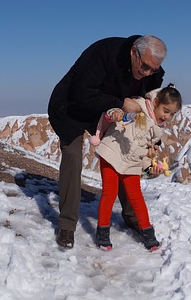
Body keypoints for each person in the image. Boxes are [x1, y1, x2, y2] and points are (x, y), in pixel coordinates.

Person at [48, 35, 167, 248]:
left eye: (153, 70)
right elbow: (81, 94)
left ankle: (132, 219)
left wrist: (153, 141)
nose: (147, 73)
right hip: (71, 109)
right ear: (133, 51)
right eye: (145, 66)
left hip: (111, 114)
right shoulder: (101, 54)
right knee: (73, 157)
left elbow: (150, 105)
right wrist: (121, 102)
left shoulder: (152, 74)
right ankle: (67, 226)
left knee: (124, 154)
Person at [95, 85, 182, 251]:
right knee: (109, 192)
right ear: (155, 102)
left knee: (136, 196)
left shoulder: (158, 131)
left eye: (172, 114)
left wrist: (150, 167)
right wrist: (115, 113)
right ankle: (102, 231)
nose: (167, 117)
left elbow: (143, 151)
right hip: (112, 151)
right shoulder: (139, 105)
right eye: (165, 110)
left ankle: (147, 231)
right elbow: (116, 109)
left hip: (132, 161)